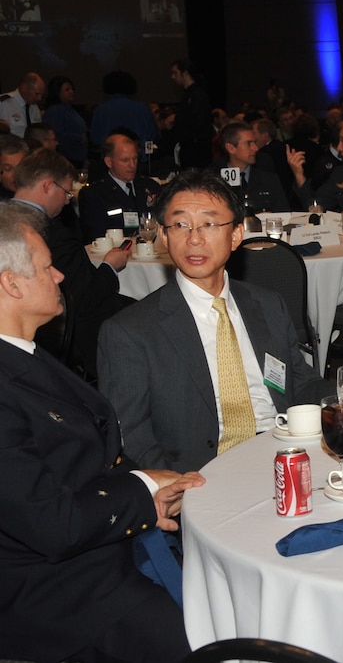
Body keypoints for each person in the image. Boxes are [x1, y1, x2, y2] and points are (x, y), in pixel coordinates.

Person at [0, 201, 203, 663]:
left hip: (98, 546)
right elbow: (53, 524)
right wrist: (144, 489)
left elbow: (86, 456)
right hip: (54, 593)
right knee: (208, 643)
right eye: (47, 268)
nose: (60, 277)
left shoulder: (24, 353)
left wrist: (151, 487)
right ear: (11, 284)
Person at [97, 170, 343, 472]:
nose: (194, 238)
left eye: (209, 224)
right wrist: (175, 484)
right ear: (163, 235)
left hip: (286, 454)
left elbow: (300, 385)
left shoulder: (266, 304)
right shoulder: (130, 331)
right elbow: (129, 434)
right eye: (180, 224)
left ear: (236, 235)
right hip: (203, 475)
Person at [13, 148, 131, 377]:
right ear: (48, 186)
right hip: (62, 335)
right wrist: (109, 266)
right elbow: (85, 296)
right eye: (67, 193)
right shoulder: (51, 233)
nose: (68, 202)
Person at [78, 133, 162, 242]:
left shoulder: (150, 186)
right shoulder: (94, 194)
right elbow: (96, 236)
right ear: (109, 162)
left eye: (135, 159)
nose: (132, 165)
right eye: (125, 160)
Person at [212, 121, 297, 212]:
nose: (255, 148)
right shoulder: (214, 182)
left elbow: (283, 214)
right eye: (249, 144)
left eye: (255, 143)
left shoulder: (269, 180)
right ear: (231, 148)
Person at [170, 59, 213, 167]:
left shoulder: (196, 95)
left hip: (196, 149)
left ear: (185, 73)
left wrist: (176, 118)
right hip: (191, 147)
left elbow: (198, 121)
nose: (173, 77)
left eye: (175, 73)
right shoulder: (189, 94)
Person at [0, 71, 44, 138]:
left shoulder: (35, 108)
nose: (39, 98)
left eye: (41, 95)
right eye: (37, 94)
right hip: (10, 147)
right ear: (24, 88)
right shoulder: (3, 104)